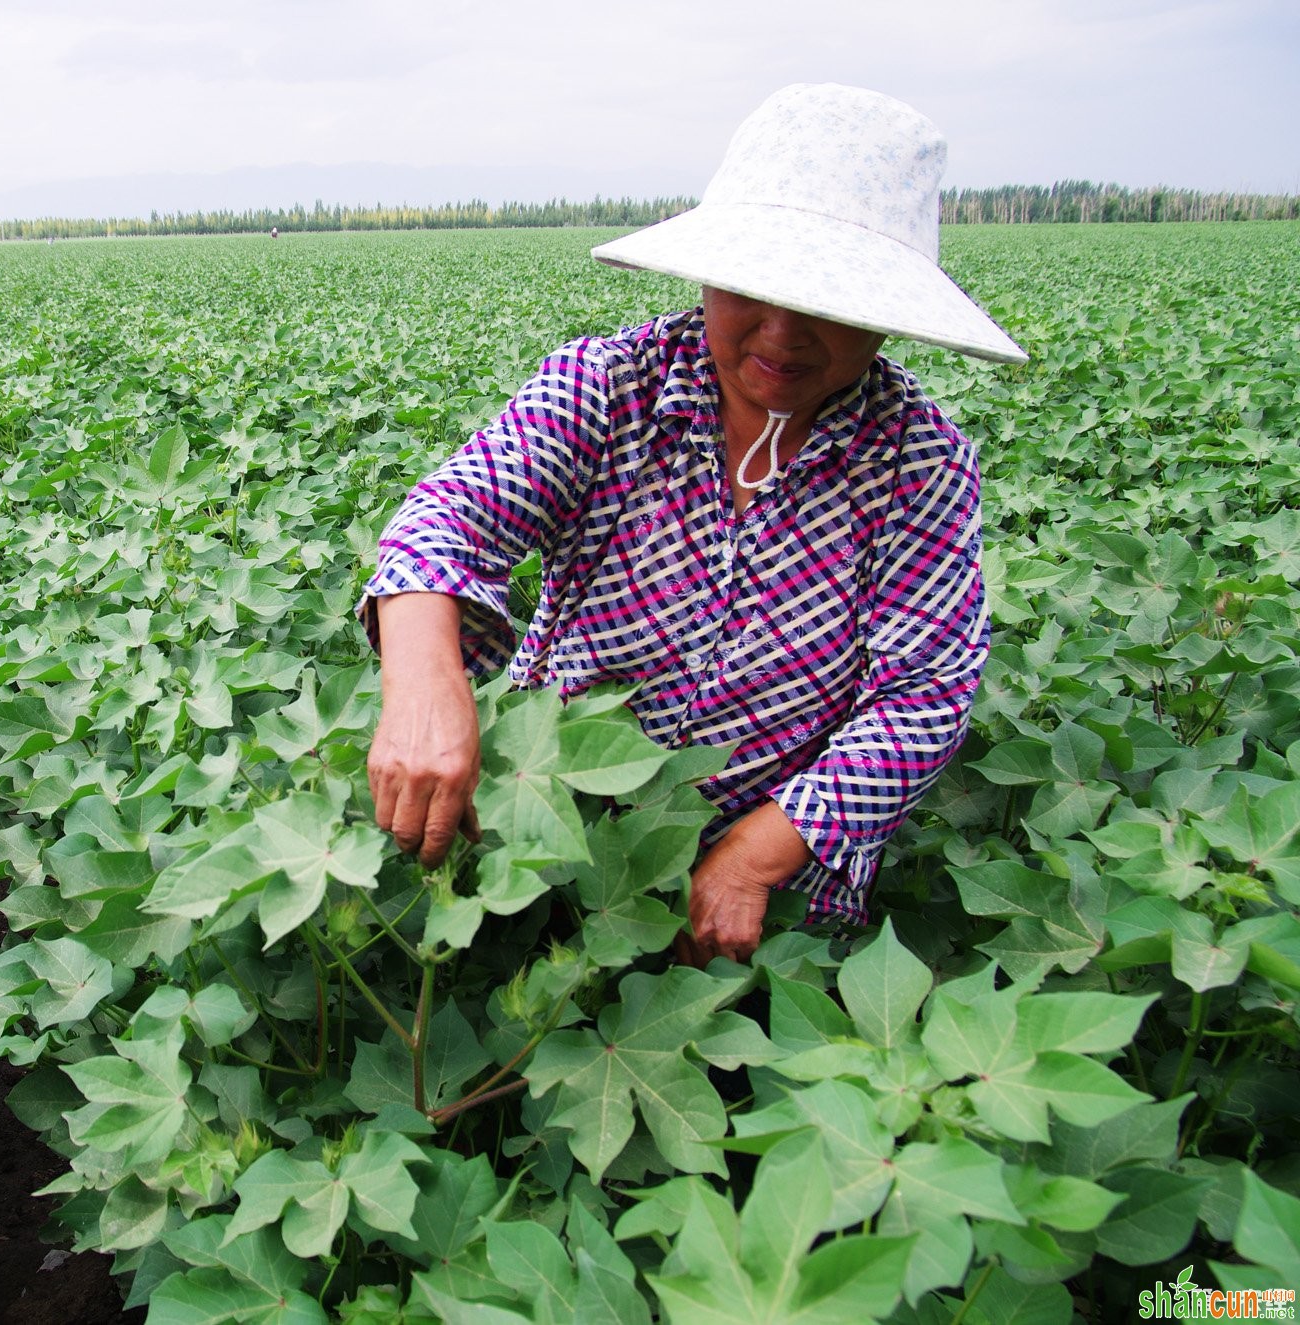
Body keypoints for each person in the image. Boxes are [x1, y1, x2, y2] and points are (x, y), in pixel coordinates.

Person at [359, 84, 1026, 967]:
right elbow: (446, 517)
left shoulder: (921, 466)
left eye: (828, 301)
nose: (783, 333)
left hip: (769, 892)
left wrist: (756, 856)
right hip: (549, 821)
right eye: (756, 284)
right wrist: (423, 686)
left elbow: (923, 698)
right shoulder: (608, 387)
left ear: (885, 316)